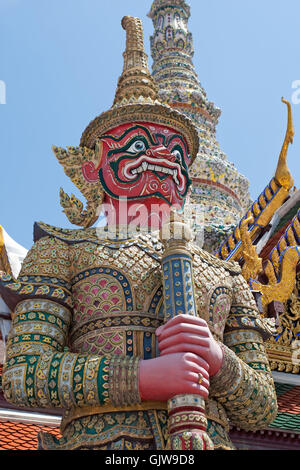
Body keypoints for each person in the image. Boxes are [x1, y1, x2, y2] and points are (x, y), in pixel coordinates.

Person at [0, 17, 277, 450]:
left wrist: (218, 358)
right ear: (94, 169)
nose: (162, 157)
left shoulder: (227, 274)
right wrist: (144, 378)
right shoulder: (62, 251)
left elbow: (263, 408)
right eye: (137, 146)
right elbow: (23, 373)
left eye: (176, 151)